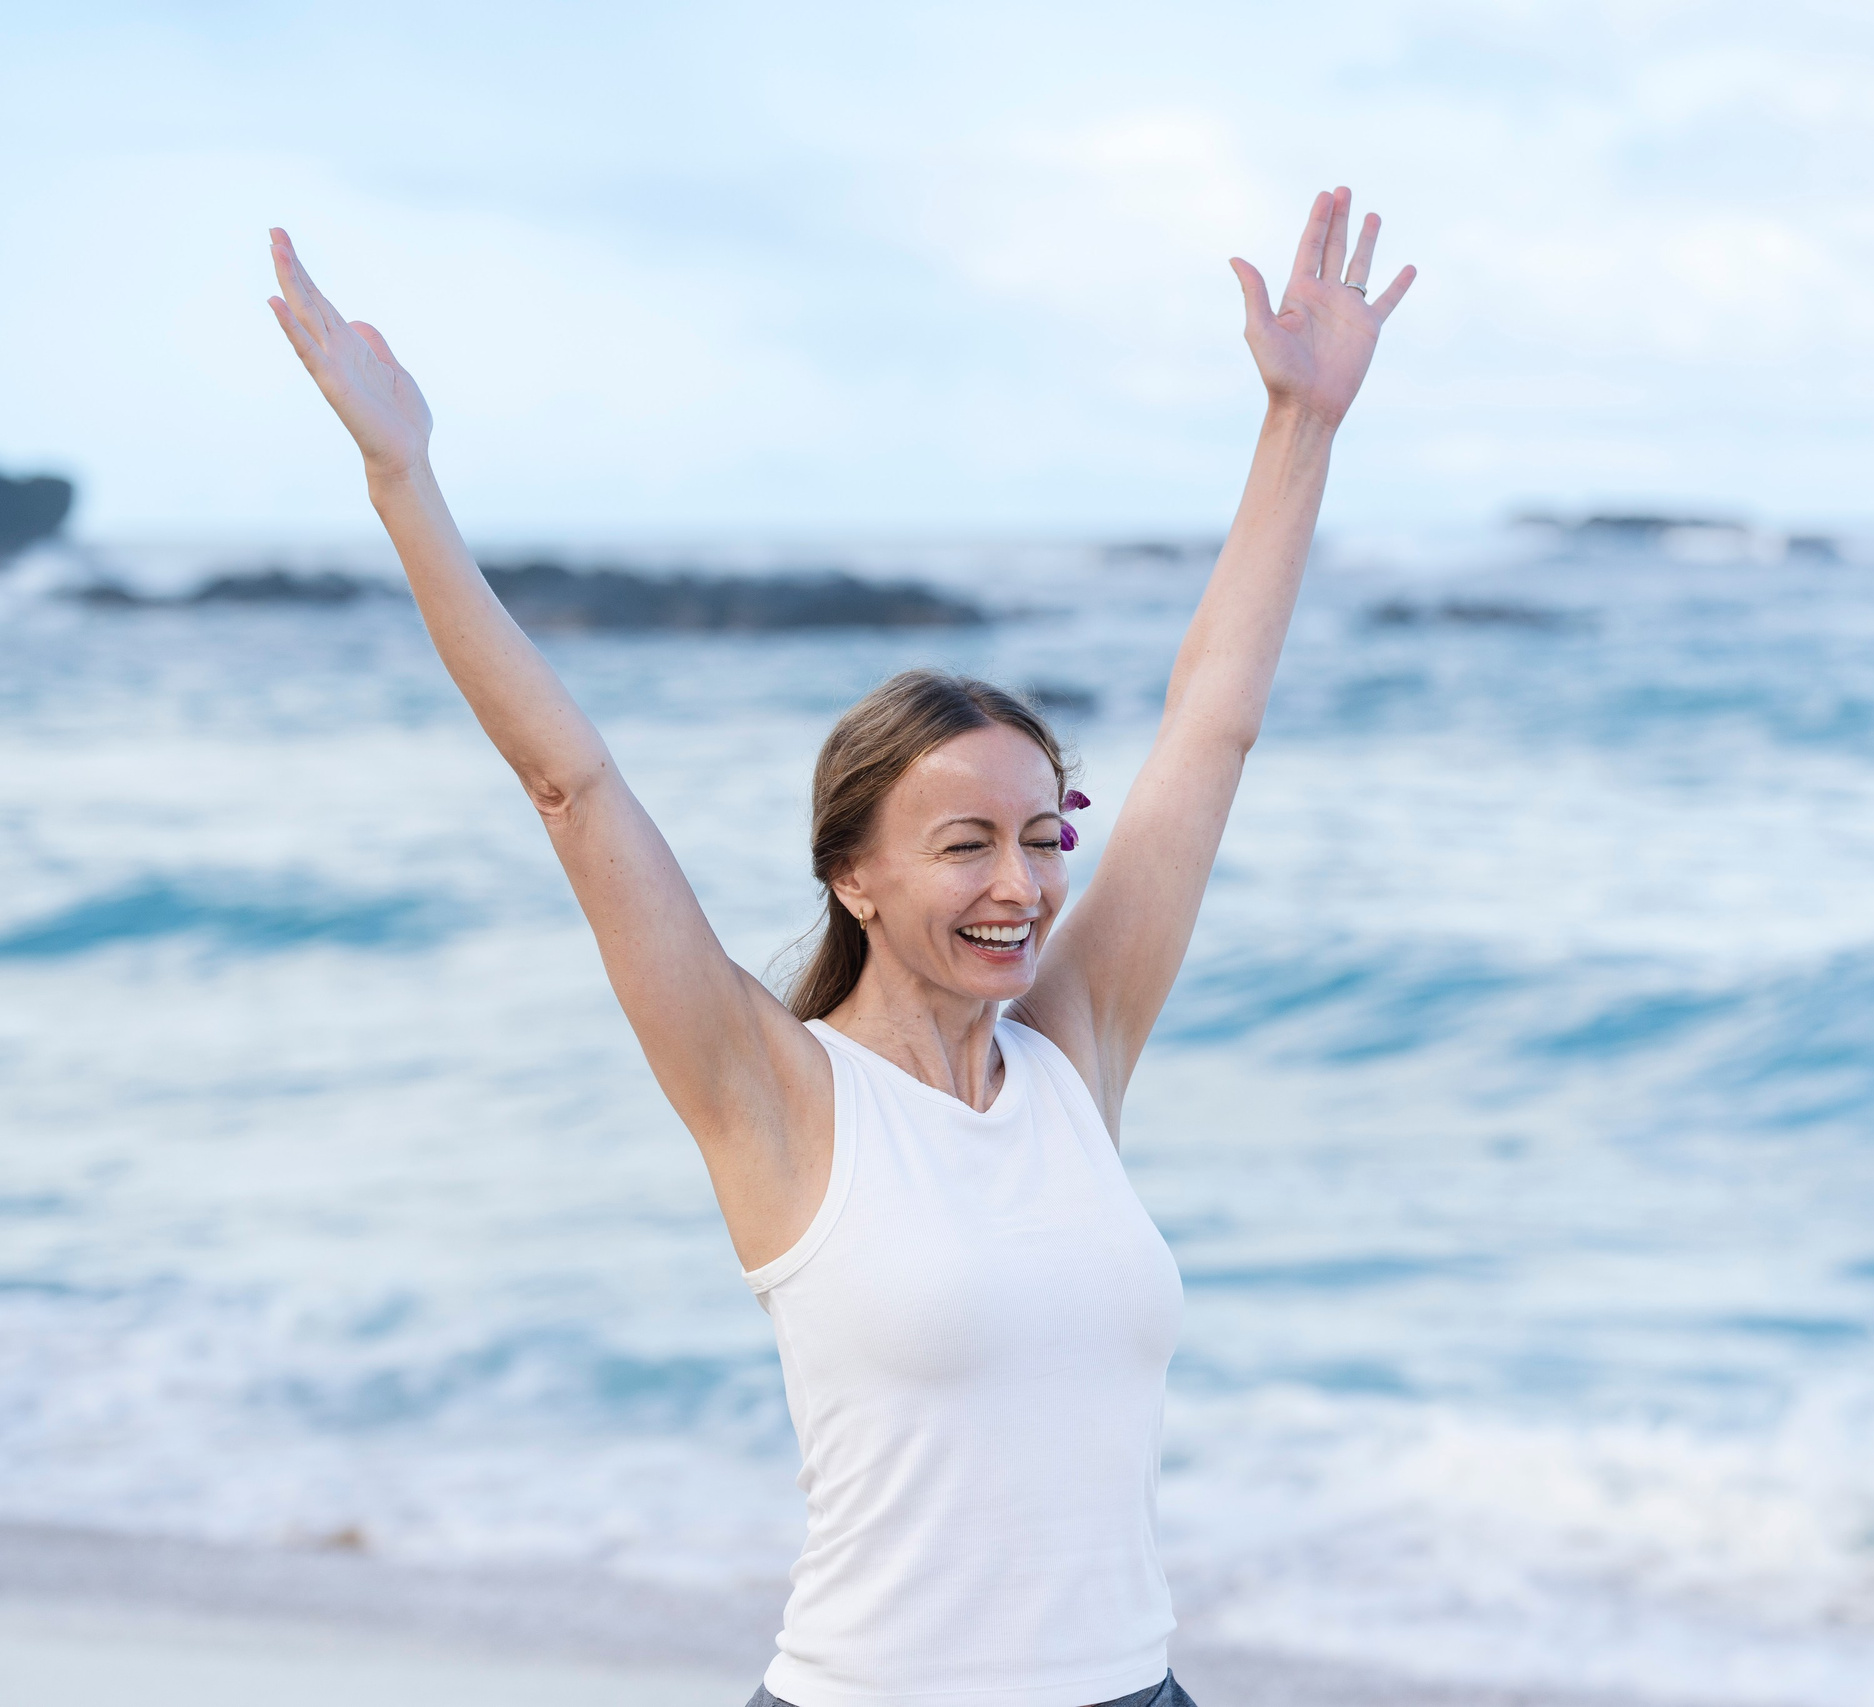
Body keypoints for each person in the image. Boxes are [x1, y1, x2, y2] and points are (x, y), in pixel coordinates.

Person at [265, 189, 1415, 1707]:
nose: (1021, 883)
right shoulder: (777, 1093)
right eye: (964, 845)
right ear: (852, 878)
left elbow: (1212, 724)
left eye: (1041, 834)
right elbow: (572, 784)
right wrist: (402, 476)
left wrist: (1300, 426)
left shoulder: (1075, 1054)